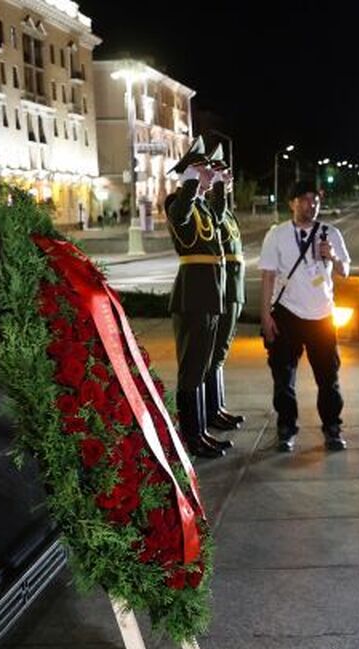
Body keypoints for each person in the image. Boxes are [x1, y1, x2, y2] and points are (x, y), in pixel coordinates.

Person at [259, 181, 351, 452]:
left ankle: (332, 427)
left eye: (315, 201)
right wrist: (265, 316)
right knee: (283, 377)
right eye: (304, 200)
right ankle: (286, 428)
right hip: (287, 314)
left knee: (328, 376)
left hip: (322, 315)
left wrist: (332, 257)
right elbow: (267, 276)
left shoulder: (330, 232)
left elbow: (345, 270)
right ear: (292, 203)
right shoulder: (276, 235)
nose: (311, 205)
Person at [164, 136, 232, 459]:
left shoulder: (202, 207)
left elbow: (218, 218)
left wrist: (216, 187)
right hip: (192, 297)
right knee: (191, 370)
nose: (209, 174)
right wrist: (190, 183)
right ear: (190, 172)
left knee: (203, 366)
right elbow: (181, 221)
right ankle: (191, 438)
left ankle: (201, 431)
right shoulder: (176, 202)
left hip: (209, 295)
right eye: (203, 169)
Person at [199, 141, 247, 433]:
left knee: (220, 352)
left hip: (233, 287)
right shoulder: (209, 210)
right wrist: (216, 190)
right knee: (212, 353)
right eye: (221, 174)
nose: (227, 179)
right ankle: (209, 412)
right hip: (222, 287)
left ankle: (217, 407)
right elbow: (213, 224)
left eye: (226, 174)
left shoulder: (225, 212)